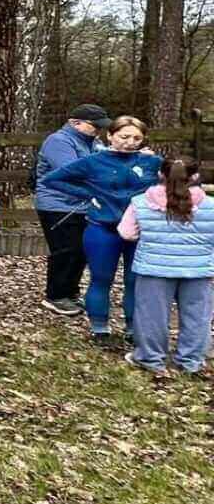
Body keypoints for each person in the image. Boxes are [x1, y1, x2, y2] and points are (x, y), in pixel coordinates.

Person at [37, 115, 164, 345]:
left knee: (135, 280)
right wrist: (90, 194)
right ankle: (100, 328)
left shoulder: (152, 163)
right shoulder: (94, 161)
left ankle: (132, 328)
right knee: (101, 279)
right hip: (103, 229)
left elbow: (172, 184)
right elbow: (53, 179)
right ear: (110, 136)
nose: (130, 142)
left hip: (140, 231)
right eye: (124, 136)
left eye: (137, 138)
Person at [118, 157, 214, 378]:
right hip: (199, 270)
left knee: (152, 316)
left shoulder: (140, 201)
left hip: (154, 268)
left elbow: (127, 232)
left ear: (160, 174)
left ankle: (150, 358)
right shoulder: (210, 205)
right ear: (196, 177)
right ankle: (191, 361)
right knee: (198, 316)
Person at [34, 105, 110, 316]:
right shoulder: (59, 141)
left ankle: (70, 292)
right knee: (65, 249)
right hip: (57, 204)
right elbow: (73, 172)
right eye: (94, 126)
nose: (98, 131)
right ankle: (56, 295)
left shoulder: (93, 142)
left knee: (80, 250)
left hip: (81, 204)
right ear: (74, 122)